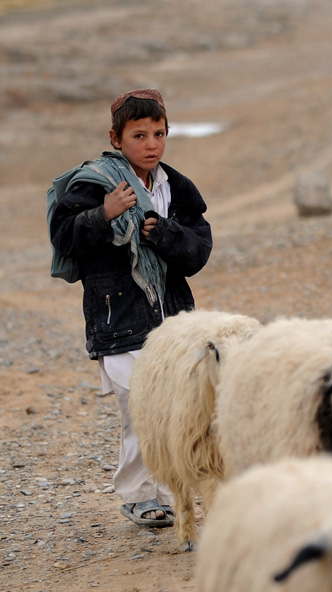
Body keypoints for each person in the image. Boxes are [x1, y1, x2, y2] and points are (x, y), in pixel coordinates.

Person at [49, 88, 213, 528]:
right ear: (116, 138)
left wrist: (164, 234)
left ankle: (172, 494)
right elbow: (64, 239)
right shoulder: (95, 184)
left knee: (174, 410)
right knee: (140, 411)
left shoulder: (175, 187)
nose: (151, 145)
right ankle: (139, 495)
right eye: (139, 135)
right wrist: (103, 214)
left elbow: (198, 251)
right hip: (117, 319)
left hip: (171, 321)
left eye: (159, 134)